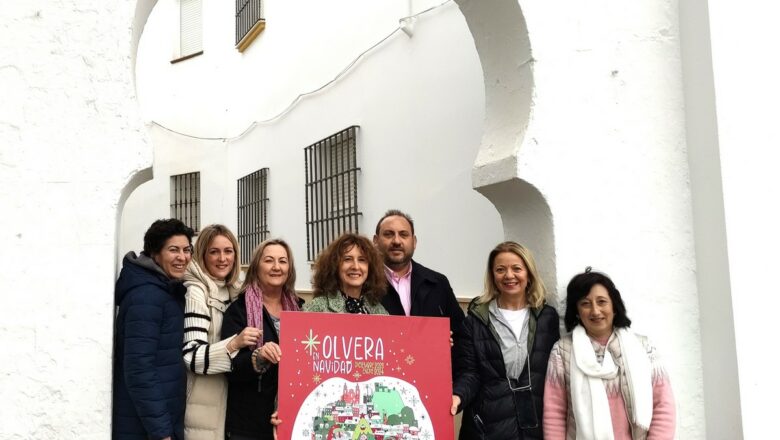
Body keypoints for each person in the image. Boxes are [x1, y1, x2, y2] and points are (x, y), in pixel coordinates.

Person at [543, 268, 676, 440]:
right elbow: (554, 413)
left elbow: (664, 405)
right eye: (585, 303)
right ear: (576, 311)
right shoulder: (562, 352)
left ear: (614, 306)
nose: (595, 311)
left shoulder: (643, 347)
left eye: (602, 302)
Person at [451, 241, 560, 440]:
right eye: (500, 269)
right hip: (487, 428)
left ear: (528, 273)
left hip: (534, 427)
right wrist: (457, 395)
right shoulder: (475, 321)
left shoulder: (547, 318)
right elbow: (469, 373)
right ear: (493, 276)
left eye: (516, 268)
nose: (509, 276)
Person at [113, 218, 195, 440]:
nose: (182, 257)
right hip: (146, 428)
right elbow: (139, 369)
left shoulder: (164, 290)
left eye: (187, 250)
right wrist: (162, 433)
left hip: (156, 421)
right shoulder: (146, 297)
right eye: (173, 250)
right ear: (154, 253)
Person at [181, 224, 261, 440]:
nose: (222, 258)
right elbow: (191, 356)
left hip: (234, 408)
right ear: (202, 255)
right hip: (204, 407)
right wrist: (234, 344)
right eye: (214, 252)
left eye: (228, 251)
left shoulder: (238, 292)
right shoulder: (196, 293)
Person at [221, 239, 303, 439]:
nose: (276, 267)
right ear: (256, 266)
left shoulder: (300, 309)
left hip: (289, 418)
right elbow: (229, 366)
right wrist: (259, 356)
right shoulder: (238, 310)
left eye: (283, 261)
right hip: (248, 424)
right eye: (269, 261)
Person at [373, 210, 464, 334]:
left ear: (414, 242)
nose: (397, 241)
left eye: (403, 235)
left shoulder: (438, 283)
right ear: (375, 241)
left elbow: (461, 335)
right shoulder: (364, 285)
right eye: (388, 234)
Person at [304, 232, 388, 314]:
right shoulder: (317, 308)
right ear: (334, 265)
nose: (356, 266)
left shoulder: (379, 311)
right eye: (347, 259)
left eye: (362, 260)